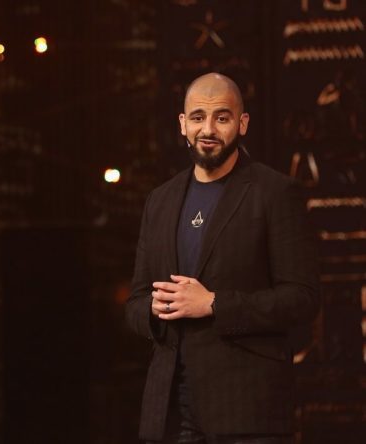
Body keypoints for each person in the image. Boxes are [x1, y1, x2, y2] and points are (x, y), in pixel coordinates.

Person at [125, 73, 320, 444]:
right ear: (182, 124)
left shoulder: (275, 192)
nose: (208, 129)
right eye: (198, 117)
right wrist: (153, 308)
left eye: (222, 118)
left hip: (246, 410)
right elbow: (135, 302)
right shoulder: (160, 200)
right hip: (171, 410)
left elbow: (303, 298)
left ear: (242, 123)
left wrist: (214, 304)